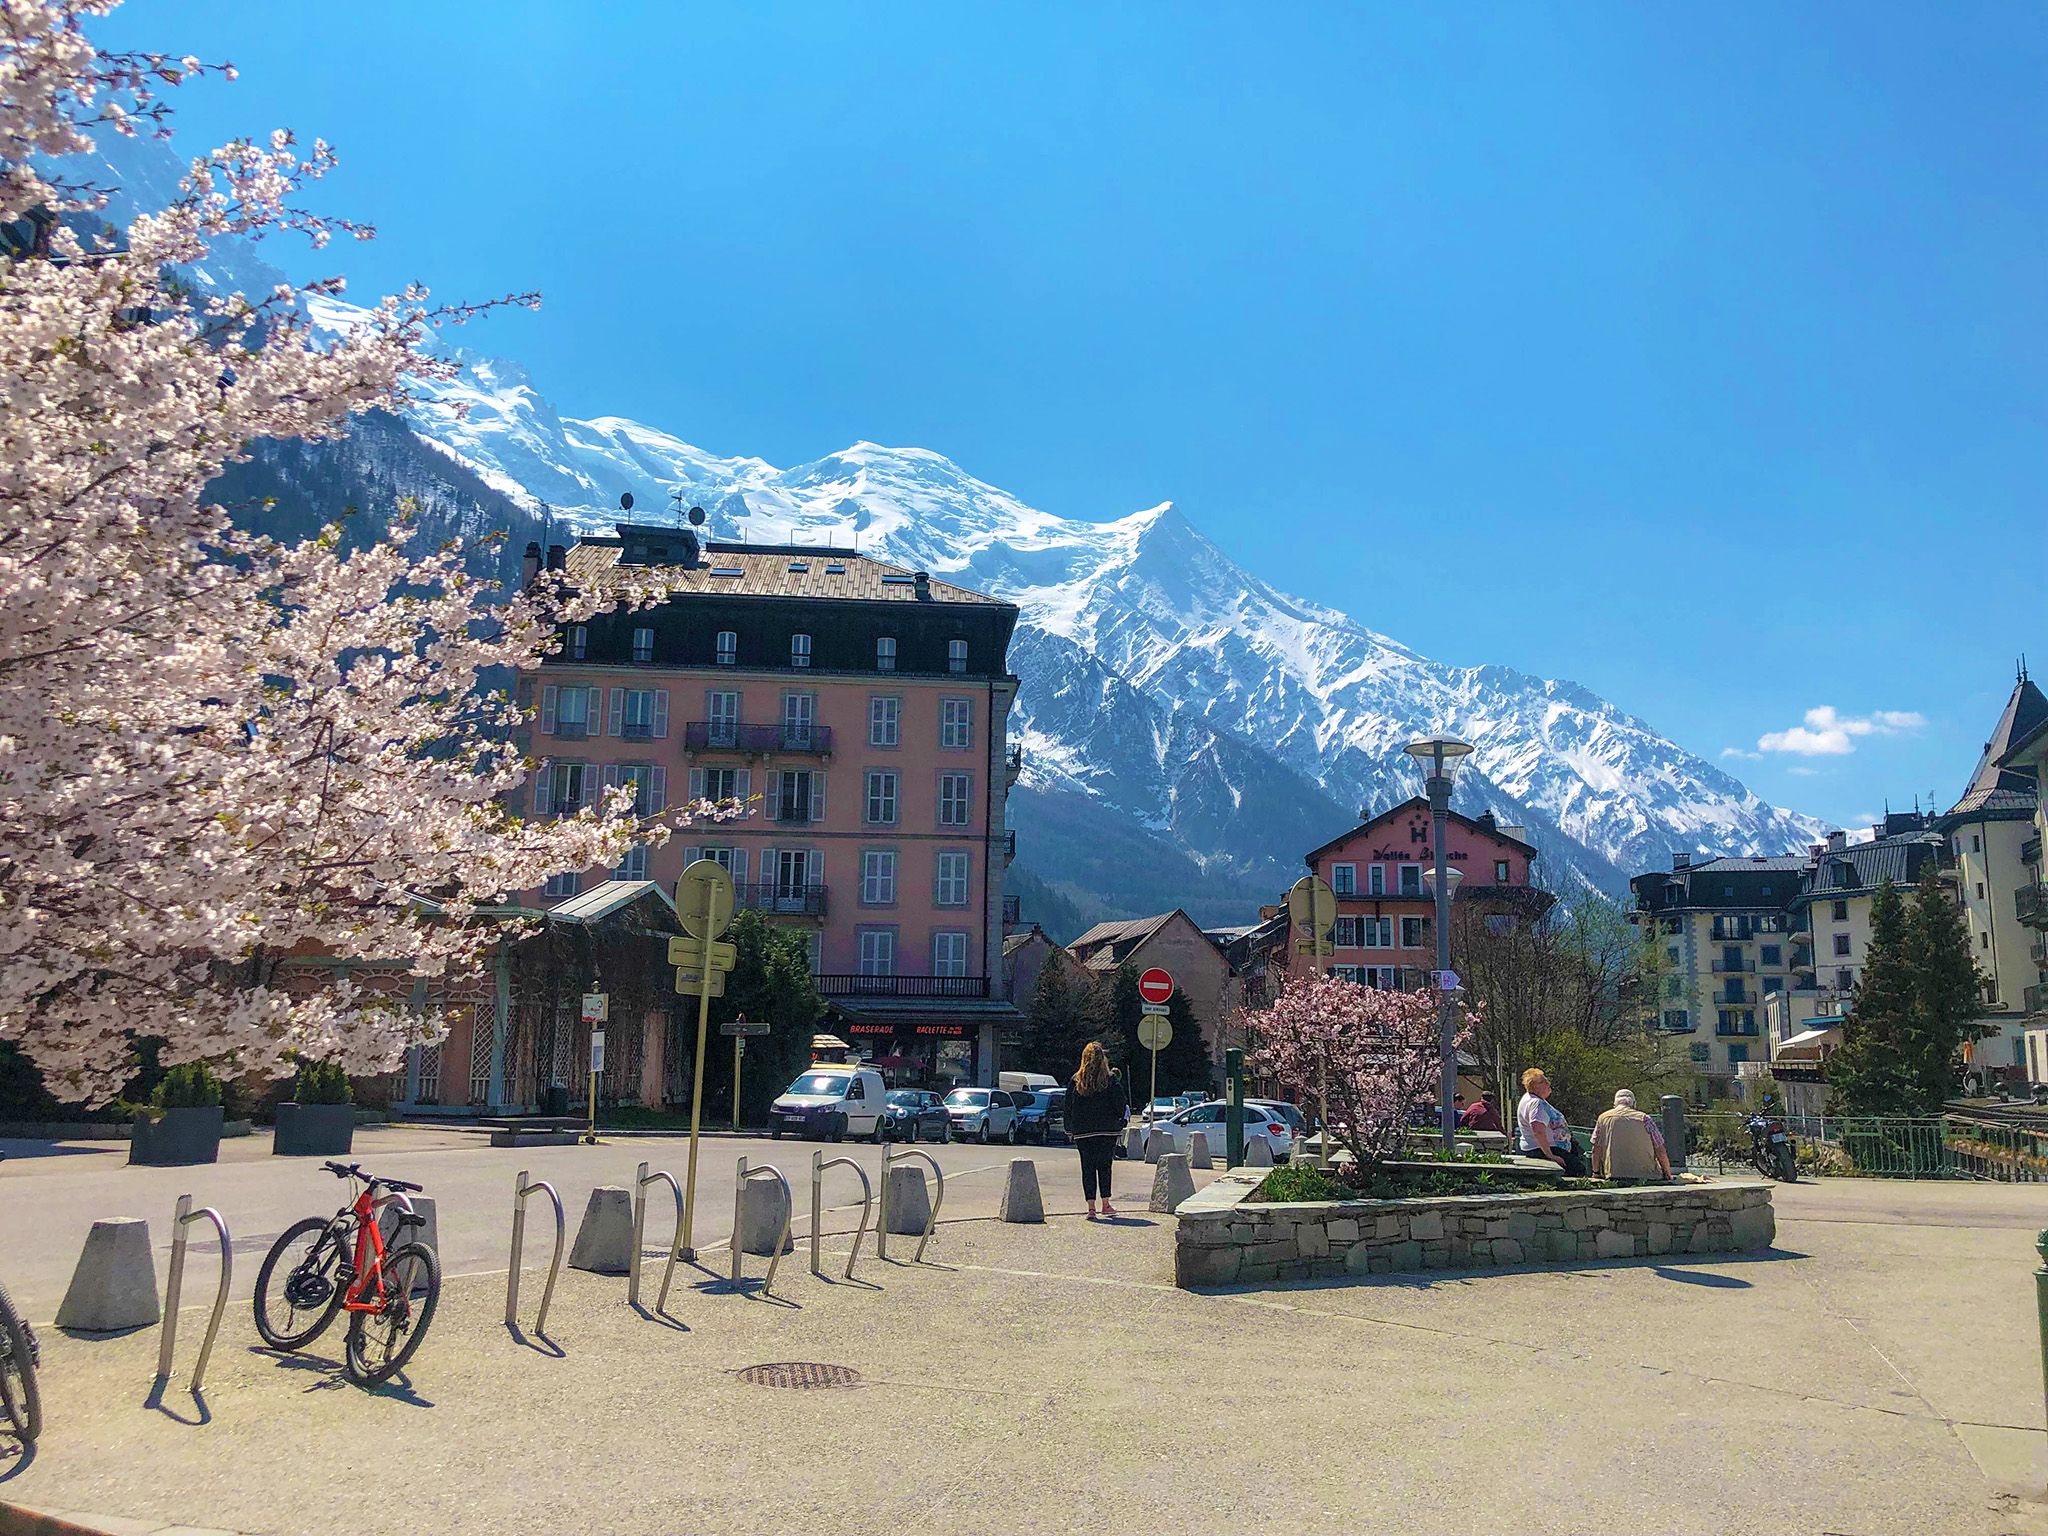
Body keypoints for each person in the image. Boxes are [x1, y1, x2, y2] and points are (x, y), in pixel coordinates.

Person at [1066, 1041, 1130, 1220]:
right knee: (1104, 1166)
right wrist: (1120, 1120)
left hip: (1083, 1132)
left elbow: (1068, 1106)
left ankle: (1091, 1208)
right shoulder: (1110, 1079)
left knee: (1087, 1168)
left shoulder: (1076, 1080)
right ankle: (1106, 1204)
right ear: (1103, 1059)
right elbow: (1120, 1102)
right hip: (1107, 1130)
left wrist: (1069, 1128)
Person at [1516, 1067, 1587, 1175]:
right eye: (1543, 1081)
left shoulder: (1532, 1099)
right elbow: (1537, 1130)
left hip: (1544, 1148)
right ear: (1535, 1086)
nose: (1548, 1083)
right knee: (1578, 1171)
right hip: (1541, 1150)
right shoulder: (1536, 1103)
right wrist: (1550, 1155)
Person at [1590, 1088, 1671, 1182]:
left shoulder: (1603, 1118)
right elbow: (1660, 1150)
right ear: (1634, 1103)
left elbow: (1596, 1149)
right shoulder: (1645, 1118)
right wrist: (1667, 1173)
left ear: (1615, 1104)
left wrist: (1596, 1172)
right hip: (1647, 1175)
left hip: (1614, 1175)